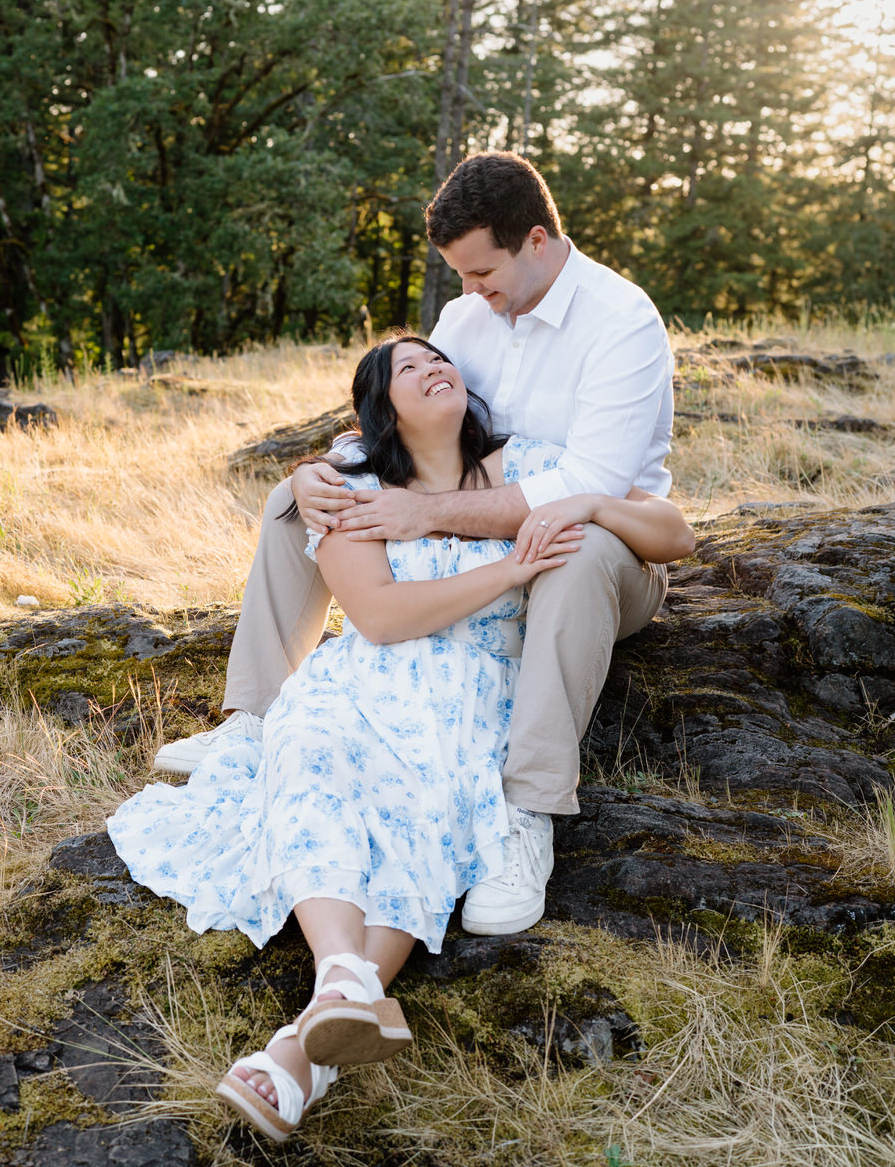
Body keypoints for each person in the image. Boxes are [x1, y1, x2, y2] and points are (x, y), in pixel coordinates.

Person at [109, 336, 694, 1143]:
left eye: (438, 358)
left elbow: (674, 533)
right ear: (382, 407)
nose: (433, 368)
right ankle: (334, 997)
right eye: (407, 369)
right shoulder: (353, 482)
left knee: (428, 823)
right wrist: (511, 572)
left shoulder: (531, 462)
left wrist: (585, 506)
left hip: (479, 694)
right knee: (314, 769)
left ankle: (307, 1038)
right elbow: (378, 617)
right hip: (363, 682)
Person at [153, 151, 678, 937]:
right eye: (460, 276)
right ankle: (254, 721)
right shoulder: (470, 316)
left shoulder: (622, 321)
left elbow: (583, 488)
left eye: (482, 272)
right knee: (293, 504)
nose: (470, 293)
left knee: (574, 546)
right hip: (483, 522)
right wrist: (317, 473)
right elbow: (412, 415)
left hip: (606, 549)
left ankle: (526, 812)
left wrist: (424, 516)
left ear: (536, 240)